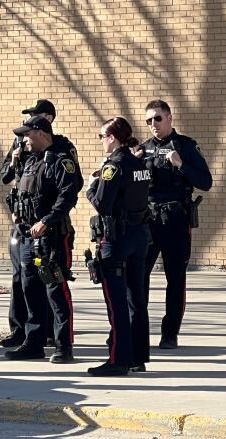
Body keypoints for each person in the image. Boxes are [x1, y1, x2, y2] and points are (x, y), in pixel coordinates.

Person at [0, 99, 83, 349]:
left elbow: (69, 192)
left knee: (55, 289)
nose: (23, 138)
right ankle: (31, 342)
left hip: (51, 234)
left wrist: (46, 221)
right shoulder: (28, 158)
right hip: (25, 233)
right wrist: (17, 213)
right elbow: (15, 186)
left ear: (43, 129)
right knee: (28, 286)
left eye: (28, 133)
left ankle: (62, 345)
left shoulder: (60, 156)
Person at [138, 100, 213, 349]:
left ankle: (170, 334)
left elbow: (205, 181)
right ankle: (137, 328)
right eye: (149, 120)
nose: (153, 125)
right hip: (148, 221)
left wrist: (180, 163)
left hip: (175, 220)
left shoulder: (186, 146)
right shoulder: (144, 149)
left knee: (175, 279)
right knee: (138, 277)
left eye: (157, 119)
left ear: (170, 118)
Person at [86, 116, 152, 376]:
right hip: (139, 236)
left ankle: (118, 359)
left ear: (112, 138)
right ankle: (137, 356)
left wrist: (92, 186)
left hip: (117, 238)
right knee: (137, 299)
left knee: (116, 302)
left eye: (102, 136)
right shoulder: (139, 163)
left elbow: (102, 203)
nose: (101, 140)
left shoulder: (112, 166)